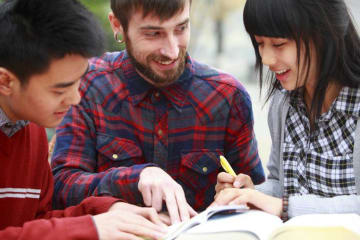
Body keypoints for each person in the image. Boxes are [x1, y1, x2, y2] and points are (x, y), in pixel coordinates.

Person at [51, 0, 265, 225]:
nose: (172, 51)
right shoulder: (86, 85)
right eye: (153, 34)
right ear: (118, 26)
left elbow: (254, 196)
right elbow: (61, 188)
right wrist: (135, 178)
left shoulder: (228, 97)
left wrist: (242, 193)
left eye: (181, 28)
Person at [0, 0, 166, 239]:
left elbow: (38, 222)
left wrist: (107, 210)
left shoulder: (30, 128)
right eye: (59, 90)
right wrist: (91, 228)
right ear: (6, 81)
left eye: (79, 81)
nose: (75, 98)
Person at [213, 0, 360, 221]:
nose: (266, 59)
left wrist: (283, 206)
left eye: (279, 44)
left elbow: (284, 204)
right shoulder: (283, 104)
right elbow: (281, 185)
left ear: (323, 35)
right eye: (260, 43)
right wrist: (250, 193)